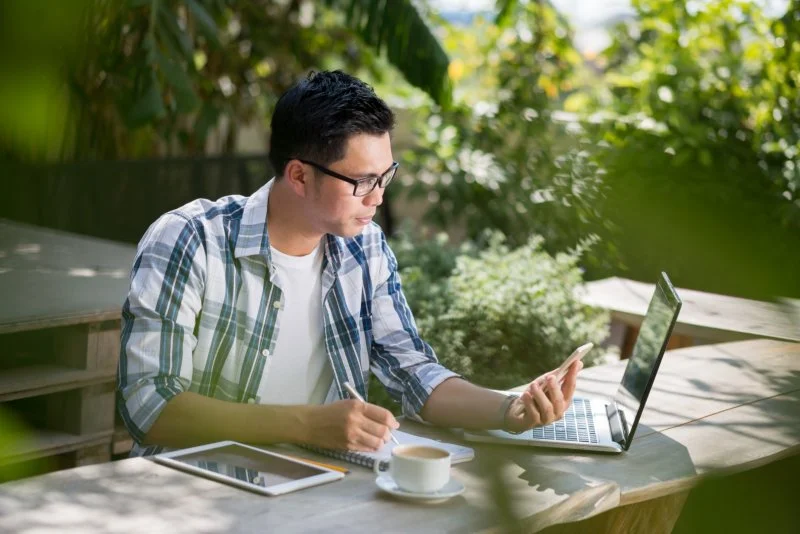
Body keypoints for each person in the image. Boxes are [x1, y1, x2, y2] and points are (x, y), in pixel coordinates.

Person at [117, 70, 583, 456]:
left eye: (386, 176)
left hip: (322, 486)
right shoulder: (190, 239)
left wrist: (510, 410)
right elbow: (149, 405)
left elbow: (412, 372)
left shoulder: (365, 247)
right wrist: (305, 425)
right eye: (363, 181)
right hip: (196, 490)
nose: (379, 197)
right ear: (299, 175)